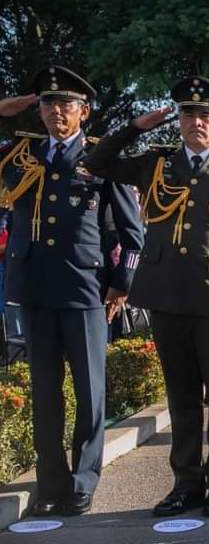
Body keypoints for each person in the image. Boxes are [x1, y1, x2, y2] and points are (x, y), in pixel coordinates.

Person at [79, 76, 209, 518]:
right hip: (165, 295)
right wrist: (135, 127)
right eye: (188, 114)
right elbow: (97, 161)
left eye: (206, 115)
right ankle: (185, 483)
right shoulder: (157, 163)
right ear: (178, 121)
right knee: (180, 397)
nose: (196, 122)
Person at [0, 67, 143, 516]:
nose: (55, 111)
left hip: (85, 290)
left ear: (84, 111)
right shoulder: (21, 154)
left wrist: (121, 284)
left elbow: (132, 233)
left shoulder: (101, 158)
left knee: (89, 392)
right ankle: (50, 483)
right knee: (44, 392)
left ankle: (82, 482)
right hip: (35, 288)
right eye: (47, 103)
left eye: (65, 104)